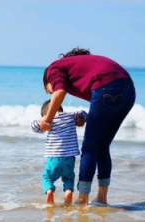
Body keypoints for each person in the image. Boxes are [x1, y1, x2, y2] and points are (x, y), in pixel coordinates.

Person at [37, 48, 136, 205]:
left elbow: (60, 91)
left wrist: (48, 121)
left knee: (90, 148)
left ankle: (83, 199)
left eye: (49, 91)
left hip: (106, 87)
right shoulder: (81, 65)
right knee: (102, 146)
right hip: (129, 90)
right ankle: (102, 198)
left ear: (47, 81)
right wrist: (82, 118)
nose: (52, 93)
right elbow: (101, 101)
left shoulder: (53, 68)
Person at [31, 99, 88, 205]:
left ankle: (49, 191)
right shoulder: (71, 116)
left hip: (53, 158)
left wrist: (42, 120)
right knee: (68, 178)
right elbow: (85, 114)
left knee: (47, 176)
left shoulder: (49, 120)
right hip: (69, 159)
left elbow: (34, 127)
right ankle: (68, 192)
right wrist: (80, 117)